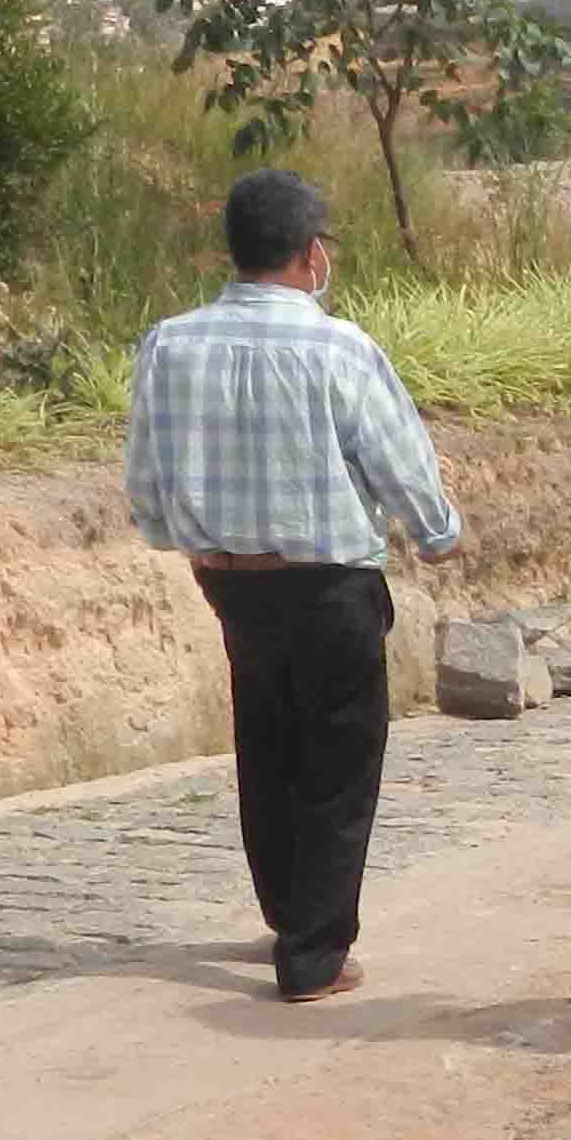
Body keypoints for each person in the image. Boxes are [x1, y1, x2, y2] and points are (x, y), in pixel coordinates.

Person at [123, 168, 462, 1005]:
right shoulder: (339, 346)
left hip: (231, 584)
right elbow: (397, 459)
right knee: (339, 763)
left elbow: (145, 476)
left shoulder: (170, 342)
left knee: (267, 745)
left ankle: (290, 913)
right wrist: (438, 532)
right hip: (330, 584)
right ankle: (313, 954)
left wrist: (190, 543)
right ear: (314, 256)